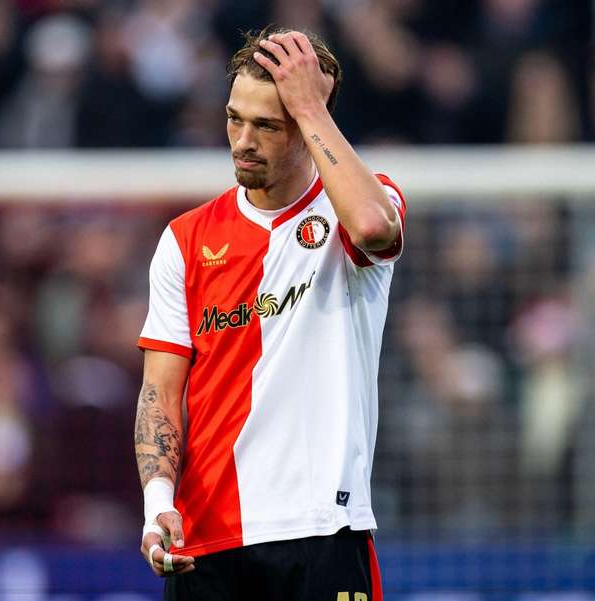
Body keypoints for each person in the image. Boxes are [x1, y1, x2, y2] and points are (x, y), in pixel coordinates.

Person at [134, 27, 406, 600]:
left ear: (309, 127)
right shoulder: (185, 241)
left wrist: (310, 104)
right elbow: (160, 392)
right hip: (206, 540)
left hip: (323, 529)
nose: (242, 141)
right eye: (234, 119)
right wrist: (157, 504)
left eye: (267, 125)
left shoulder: (362, 203)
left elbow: (375, 229)